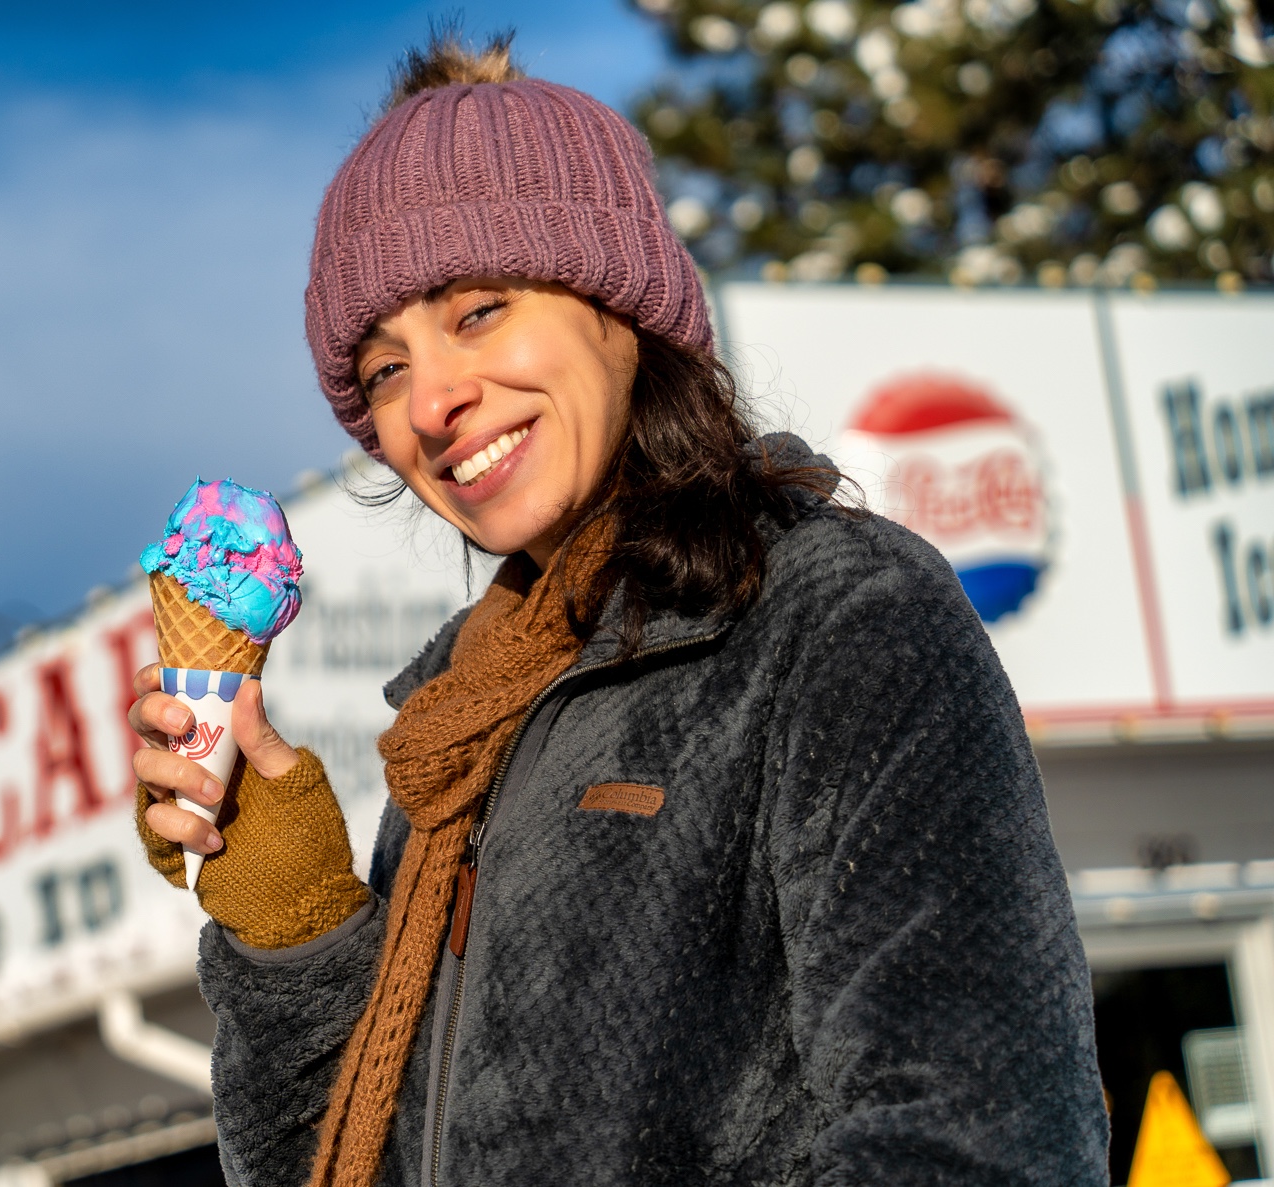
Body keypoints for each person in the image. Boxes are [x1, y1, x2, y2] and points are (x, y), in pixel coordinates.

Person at [127, 32, 1108, 1187]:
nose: (431, 399)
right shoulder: (455, 736)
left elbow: (977, 1144)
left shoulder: (834, 621)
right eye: (382, 368)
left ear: (616, 300)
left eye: (478, 309)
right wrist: (284, 913)